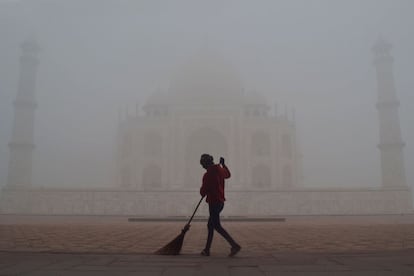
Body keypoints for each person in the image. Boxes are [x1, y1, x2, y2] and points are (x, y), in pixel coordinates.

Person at [199, 153, 241, 257]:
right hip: (220, 202)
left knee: (216, 226)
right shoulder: (219, 170)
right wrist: (223, 165)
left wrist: (204, 190)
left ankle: (234, 245)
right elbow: (228, 175)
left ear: (206, 163)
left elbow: (203, 191)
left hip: (213, 202)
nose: (203, 167)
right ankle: (207, 250)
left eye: (203, 165)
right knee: (211, 225)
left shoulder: (208, 174)